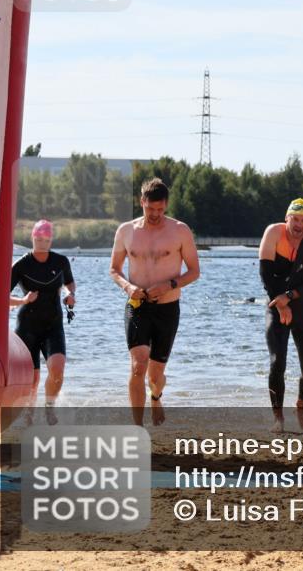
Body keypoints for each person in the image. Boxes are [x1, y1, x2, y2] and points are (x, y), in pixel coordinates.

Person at [109, 178, 200, 426]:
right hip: (137, 307)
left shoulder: (180, 231)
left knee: (155, 375)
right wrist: (128, 287)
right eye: (150, 209)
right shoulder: (126, 231)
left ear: (166, 205)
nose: (155, 215)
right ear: (142, 202)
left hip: (167, 308)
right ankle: (137, 428)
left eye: (160, 210)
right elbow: (114, 270)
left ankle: (156, 397)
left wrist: (170, 285)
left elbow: (194, 271)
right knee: (138, 365)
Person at [258, 198, 303, 432]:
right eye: (294, 219)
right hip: (276, 303)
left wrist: (289, 297)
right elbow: (265, 275)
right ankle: (278, 417)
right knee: (277, 362)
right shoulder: (273, 233)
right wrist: (280, 303)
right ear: (286, 218)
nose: (298, 225)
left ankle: (300, 408)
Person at [9, 220, 75, 424]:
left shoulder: (61, 261)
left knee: (57, 369)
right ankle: (28, 415)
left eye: (46, 240)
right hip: (27, 327)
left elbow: (69, 282)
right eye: (38, 239)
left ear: (51, 240)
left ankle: (49, 406)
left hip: (53, 325)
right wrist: (23, 300)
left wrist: (70, 294)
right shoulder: (20, 265)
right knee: (32, 380)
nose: (42, 244)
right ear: (32, 238)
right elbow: (1, 296)